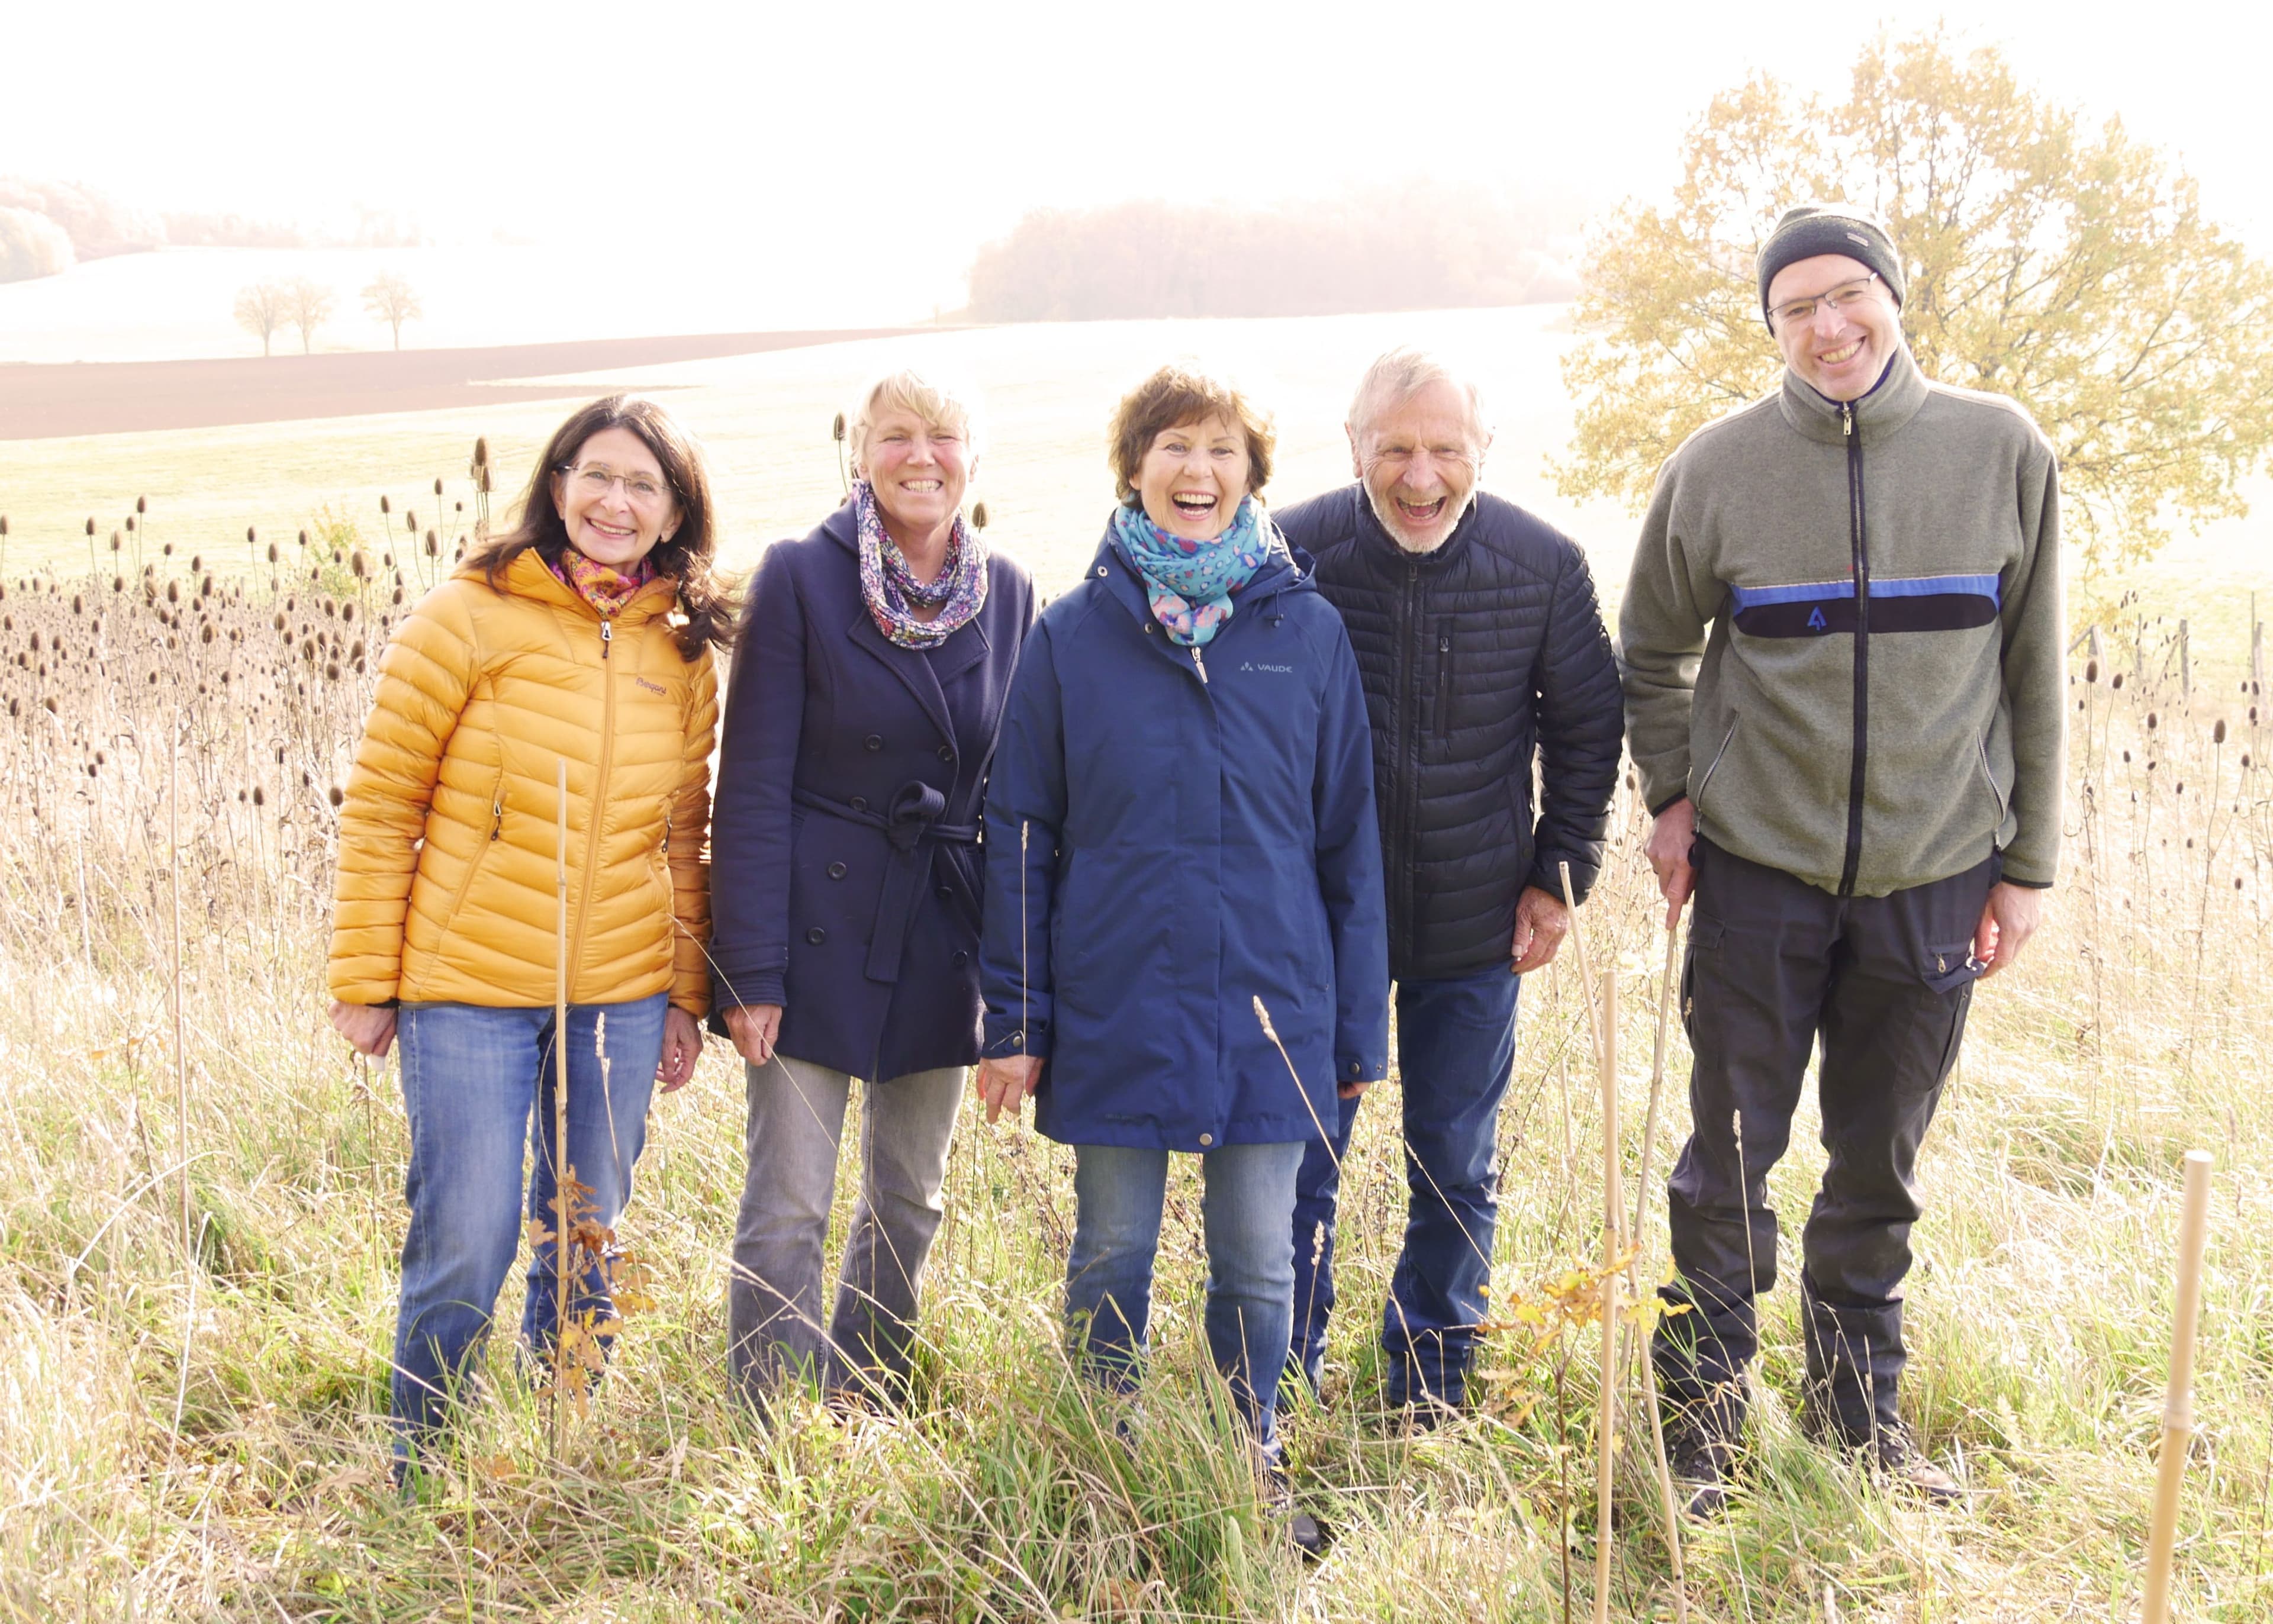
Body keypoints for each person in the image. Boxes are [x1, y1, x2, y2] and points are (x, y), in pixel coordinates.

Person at [1620, 204, 2063, 1513]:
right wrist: (1675, 790)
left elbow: (2033, 672)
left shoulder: (2001, 451)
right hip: (1759, 874)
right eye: (1794, 307)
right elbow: (1650, 647)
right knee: (1728, 1159)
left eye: (1846, 296)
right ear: (1770, 325)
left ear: (1893, 296)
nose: (1827, 327)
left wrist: (2026, 861)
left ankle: (1858, 1423)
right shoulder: (1716, 469)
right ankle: (1699, 1429)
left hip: (1936, 871)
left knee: (1879, 1167)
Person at [974, 363, 1387, 1551]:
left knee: (1260, 1264)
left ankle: (1242, 1460)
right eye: (1173, 448)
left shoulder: (1304, 634)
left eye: (1220, 451)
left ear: (1253, 476)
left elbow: (1348, 840)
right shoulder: (1071, 637)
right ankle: (1102, 1467)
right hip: (1115, 1006)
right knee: (1113, 1251)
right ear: (1135, 469)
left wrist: (1356, 1031)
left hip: (1275, 1014)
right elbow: (1019, 834)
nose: (1197, 471)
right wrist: (1017, 1020)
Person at [327, 394, 727, 1474]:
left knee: (587, 1232)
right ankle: (426, 1460)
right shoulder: (467, 616)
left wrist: (688, 995)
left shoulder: (682, 654)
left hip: (624, 992)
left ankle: (563, 1446)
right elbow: (382, 805)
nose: (616, 500)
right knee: (469, 1234)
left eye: (644, 484)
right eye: (597, 475)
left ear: (673, 512)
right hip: (467, 986)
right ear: (556, 487)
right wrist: (365, 977)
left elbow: (683, 837)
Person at [1274, 349, 1624, 1416]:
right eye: (1396, 450)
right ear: (1353, 447)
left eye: (1445, 451)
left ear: (1482, 453)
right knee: (1296, 1161)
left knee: (1454, 1165)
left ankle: (1430, 1384)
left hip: (1476, 926)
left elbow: (1586, 729)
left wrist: (1559, 877)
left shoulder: (1544, 565)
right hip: (1315, 929)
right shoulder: (1288, 553)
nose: (1420, 477)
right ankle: (1278, 1376)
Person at [709, 369, 1034, 1409]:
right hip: (812, 932)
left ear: (973, 457)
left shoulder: (1014, 594)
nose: (920, 456)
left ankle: (866, 1394)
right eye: (897, 435)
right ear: (863, 454)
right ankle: (771, 1420)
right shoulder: (803, 576)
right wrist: (749, 966)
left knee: (912, 1199)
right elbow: (751, 784)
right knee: (789, 1203)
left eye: (944, 435)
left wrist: (1017, 985)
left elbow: (1020, 805)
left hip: (942, 931)